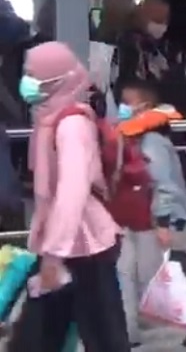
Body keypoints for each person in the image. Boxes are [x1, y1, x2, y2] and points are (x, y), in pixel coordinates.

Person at [9, 42, 129, 351]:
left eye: (34, 75)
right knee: (40, 335)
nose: (27, 82)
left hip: (83, 245)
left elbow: (71, 194)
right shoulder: (50, 118)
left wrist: (53, 254)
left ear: (57, 79)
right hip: (65, 245)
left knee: (100, 337)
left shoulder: (72, 125)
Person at [114, 80, 186, 348]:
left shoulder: (152, 142)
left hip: (151, 221)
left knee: (152, 277)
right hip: (131, 219)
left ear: (145, 107)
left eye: (127, 102)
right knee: (126, 273)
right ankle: (126, 332)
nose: (122, 108)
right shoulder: (131, 137)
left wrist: (162, 223)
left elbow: (164, 186)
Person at [114, 0, 171, 102]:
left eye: (165, 22)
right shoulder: (130, 42)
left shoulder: (152, 44)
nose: (163, 27)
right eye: (157, 21)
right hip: (134, 100)